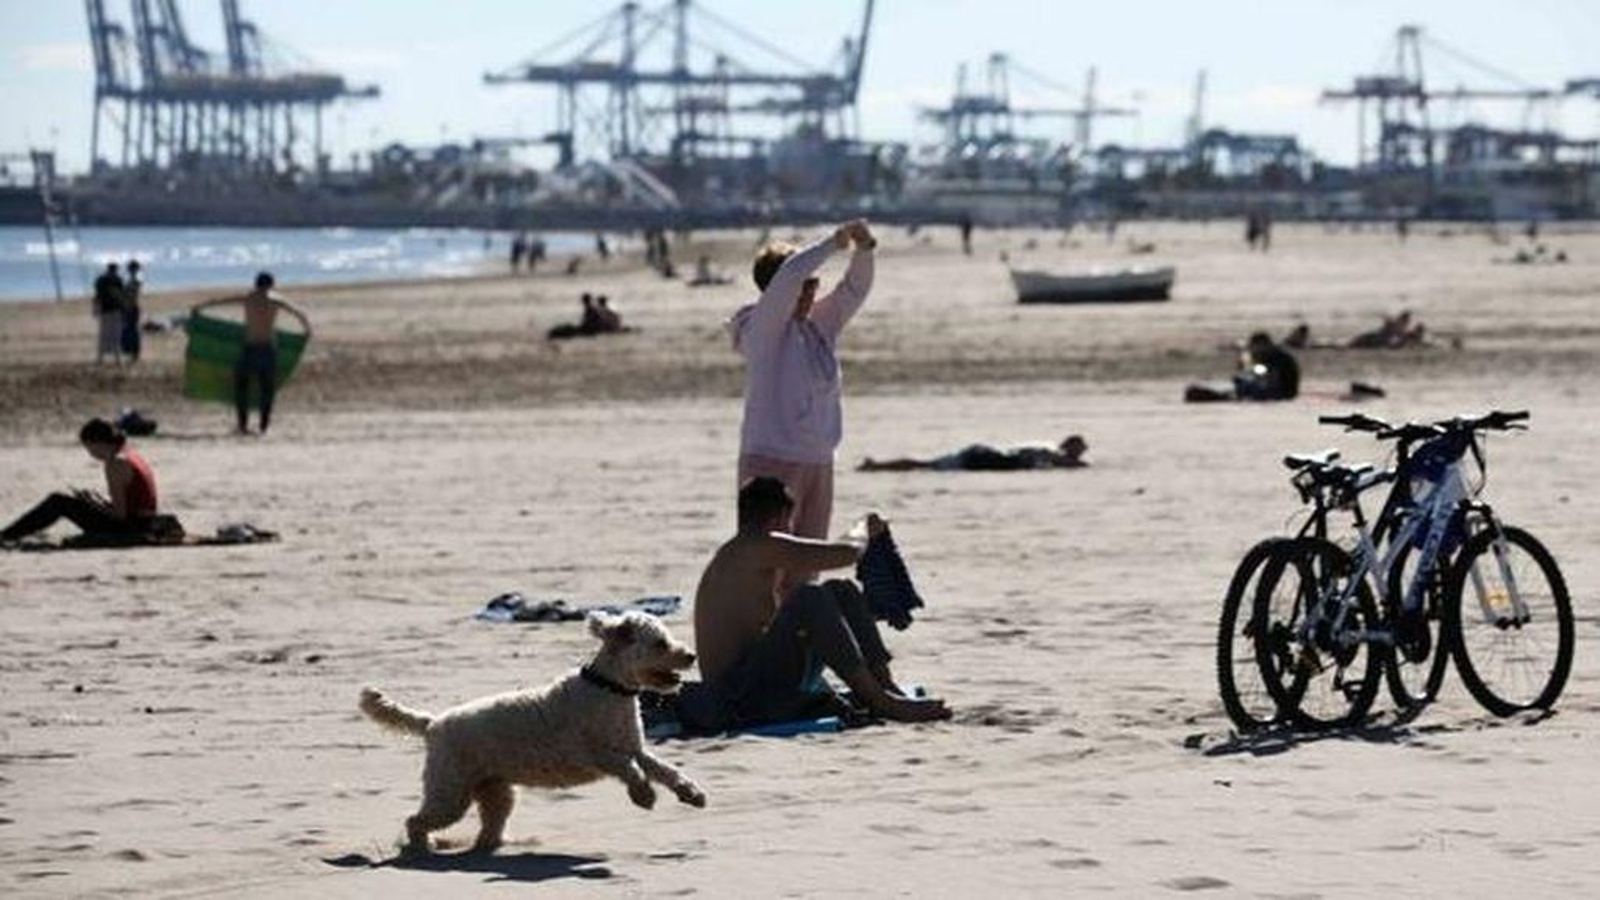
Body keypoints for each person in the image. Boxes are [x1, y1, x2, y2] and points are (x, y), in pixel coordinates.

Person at [691, 477, 951, 727]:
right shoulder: (754, 547)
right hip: (736, 700)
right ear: (779, 519)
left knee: (841, 590)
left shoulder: (739, 553)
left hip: (750, 686)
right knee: (809, 597)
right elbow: (847, 553)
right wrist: (864, 527)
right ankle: (880, 701)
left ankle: (884, 686)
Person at [726, 219, 876, 558]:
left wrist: (865, 250)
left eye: (814, 284)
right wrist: (832, 244)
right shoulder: (763, 329)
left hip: (818, 461)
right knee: (767, 563)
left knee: (807, 567)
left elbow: (854, 290)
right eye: (805, 285)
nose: (811, 291)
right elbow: (790, 275)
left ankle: (802, 613)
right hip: (771, 461)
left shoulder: (818, 325)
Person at [2, 418, 162, 545]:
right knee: (70, 500)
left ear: (98, 443)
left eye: (90, 448)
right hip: (143, 522)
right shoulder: (129, 454)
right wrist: (97, 501)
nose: (90, 454)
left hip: (130, 528)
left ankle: (7, 535)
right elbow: (127, 506)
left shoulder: (115, 464)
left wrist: (93, 504)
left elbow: (120, 516)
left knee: (57, 501)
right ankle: (12, 533)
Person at [192, 271, 312, 435]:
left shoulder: (248, 298)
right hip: (268, 349)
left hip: (250, 348)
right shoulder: (276, 300)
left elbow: (222, 301)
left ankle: (242, 425)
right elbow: (299, 314)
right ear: (271, 285)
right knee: (266, 390)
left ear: (256, 284)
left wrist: (201, 306)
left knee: (241, 388)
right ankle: (263, 426)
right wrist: (307, 331)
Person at [859, 435, 1088, 472]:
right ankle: (876, 467)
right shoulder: (1050, 451)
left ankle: (877, 466)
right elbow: (1066, 463)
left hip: (982, 456)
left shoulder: (1044, 449)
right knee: (923, 466)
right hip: (981, 458)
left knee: (924, 465)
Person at [1233, 331, 1299, 400]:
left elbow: (1271, 377)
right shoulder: (1270, 354)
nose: (1253, 349)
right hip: (1281, 390)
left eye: (1254, 346)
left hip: (1282, 391)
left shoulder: (1276, 357)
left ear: (1262, 345)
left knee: (1243, 386)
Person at [92, 262, 125, 365]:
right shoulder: (118, 280)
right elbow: (121, 297)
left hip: (106, 311)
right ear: (115, 270)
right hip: (113, 311)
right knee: (115, 335)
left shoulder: (101, 281)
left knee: (105, 335)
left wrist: (95, 309)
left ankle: (101, 358)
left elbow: (97, 296)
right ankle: (116, 359)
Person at [121, 259, 144, 362]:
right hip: (131, 307)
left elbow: (130, 295)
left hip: (131, 307)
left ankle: (134, 353)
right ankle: (133, 353)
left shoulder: (135, 280)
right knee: (131, 330)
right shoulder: (134, 280)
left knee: (131, 331)